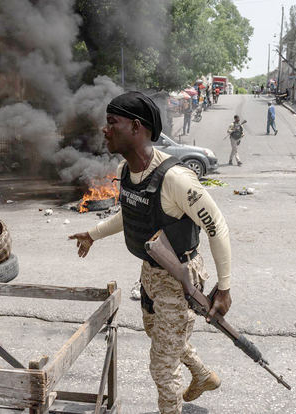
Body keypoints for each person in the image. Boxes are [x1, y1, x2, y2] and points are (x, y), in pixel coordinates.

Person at [69, 91, 233, 414]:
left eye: (111, 123)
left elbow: (217, 226)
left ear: (136, 127)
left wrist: (224, 287)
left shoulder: (175, 179)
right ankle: (202, 375)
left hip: (180, 277)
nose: (105, 130)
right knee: (157, 333)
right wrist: (93, 234)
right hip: (151, 273)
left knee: (161, 367)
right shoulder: (126, 171)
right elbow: (130, 214)